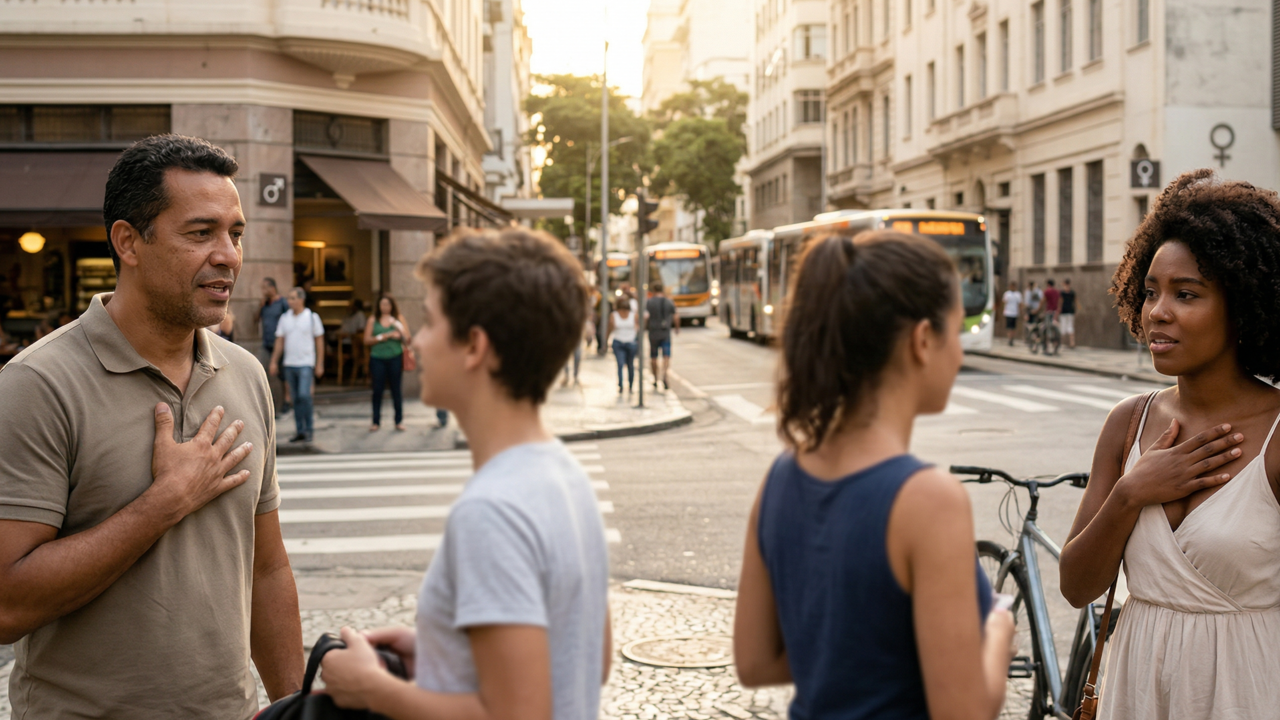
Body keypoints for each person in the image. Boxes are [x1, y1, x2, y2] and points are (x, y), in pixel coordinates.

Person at [0, 133, 302, 719]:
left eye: (235, 233)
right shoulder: (37, 384)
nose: (228, 256)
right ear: (128, 242)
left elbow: (267, 568)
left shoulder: (245, 373)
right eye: (201, 233)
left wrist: (294, 708)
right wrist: (164, 503)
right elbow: (7, 604)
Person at [319, 227, 611, 720]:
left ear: (474, 346)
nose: (418, 340)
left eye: (431, 321)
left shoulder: (491, 510)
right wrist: (441, 652)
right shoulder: (567, 475)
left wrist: (372, 689)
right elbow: (586, 658)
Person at [734, 231, 1015, 719]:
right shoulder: (929, 500)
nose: (960, 354)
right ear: (922, 341)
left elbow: (755, 662)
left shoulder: (780, 476)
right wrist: (997, 636)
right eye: (954, 331)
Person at [1059, 170, 1280, 719]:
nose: (1158, 311)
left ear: (1243, 305)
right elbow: (1076, 586)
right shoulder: (1128, 423)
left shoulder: (1277, 434)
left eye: (1186, 294)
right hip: (1137, 691)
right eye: (1151, 291)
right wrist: (1130, 493)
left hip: (1247, 692)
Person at [269, 287, 324, 443]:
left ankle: (309, 429)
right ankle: (300, 430)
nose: (290, 301)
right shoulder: (285, 318)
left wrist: (319, 363)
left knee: (304, 395)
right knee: (295, 398)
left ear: (301, 300)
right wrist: (274, 361)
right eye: (289, 298)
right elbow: (280, 341)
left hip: (306, 363)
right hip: (289, 363)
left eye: (293, 298)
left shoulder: (312, 317)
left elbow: (319, 341)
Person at [364, 294, 409, 432]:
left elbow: (408, 338)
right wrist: (382, 337)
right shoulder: (373, 320)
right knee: (377, 390)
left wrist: (399, 332)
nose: (385, 307)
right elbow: (366, 340)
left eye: (387, 304)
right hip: (377, 358)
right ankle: (376, 421)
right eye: (382, 304)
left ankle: (398, 420)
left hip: (395, 357)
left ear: (392, 305)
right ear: (378, 306)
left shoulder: (398, 319)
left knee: (396, 390)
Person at [256, 277, 290, 413]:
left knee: (283, 375)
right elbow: (256, 319)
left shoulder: (283, 303)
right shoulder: (265, 304)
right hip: (266, 343)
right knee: (262, 371)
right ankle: (268, 404)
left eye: (265, 288)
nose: (263, 291)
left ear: (272, 288)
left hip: (281, 344)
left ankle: (287, 402)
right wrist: (260, 306)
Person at [646, 281, 679, 390]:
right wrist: (677, 328)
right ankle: (664, 375)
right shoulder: (669, 301)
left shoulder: (649, 302)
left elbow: (645, 317)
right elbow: (676, 316)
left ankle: (655, 378)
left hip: (653, 332)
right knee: (666, 356)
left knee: (653, 357)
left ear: (653, 290)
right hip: (665, 332)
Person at [607, 299, 638, 394]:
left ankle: (630, 385)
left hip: (630, 342)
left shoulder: (634, 315)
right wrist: (606, 340)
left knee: (630, 365)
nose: (623, 311)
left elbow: (638, 327)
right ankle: (621, 385)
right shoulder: (614, 315)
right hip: (618, 342)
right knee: (620, 364)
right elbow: (610, 328)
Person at [1001, 281, 1022, 346]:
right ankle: (1009, 338)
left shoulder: (1018, 294)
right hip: (1008, 312)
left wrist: (1020, 311)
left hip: (1015, 313)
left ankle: (1012, 338)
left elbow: (1020, 303)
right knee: (1009, 327)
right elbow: (1004, 302)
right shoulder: (1007, 294)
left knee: (1013, 327)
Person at [1059, 278, 1077, 349]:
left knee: (1063, 327)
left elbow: (1060, 302)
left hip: (1064, 311)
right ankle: (1072, 342)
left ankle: (1060, 342)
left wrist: (1059, 309)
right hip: (1071, 311)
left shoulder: (1062, 292)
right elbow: (1075, 301)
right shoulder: (1072, 292)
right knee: (1070, 327)